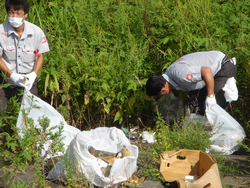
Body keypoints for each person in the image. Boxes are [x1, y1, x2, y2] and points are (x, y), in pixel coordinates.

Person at [0, 0, 50, 142]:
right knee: (0, 111)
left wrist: (33, 74)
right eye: (11, 12)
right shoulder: (0, 32)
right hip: (5, 78)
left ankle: (27, 147)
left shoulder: (36, 32)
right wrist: (12, 75)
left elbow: (40, 56)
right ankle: (3, 147)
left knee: (30, 113)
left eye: (18, 13)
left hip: (29, 79)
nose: (14, 16)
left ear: (25, 14)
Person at [146, 51, 237, 116]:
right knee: (194, 102)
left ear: (163, 90)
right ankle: (205, 131)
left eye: (160, 95)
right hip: (209, 74)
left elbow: (206, 71)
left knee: (216, 101)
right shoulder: (168, 76)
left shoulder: (181, 74)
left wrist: (210, 97)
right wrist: (175, 96)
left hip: (223, 66)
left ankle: (223, 133)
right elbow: (173, 85)